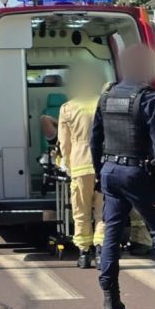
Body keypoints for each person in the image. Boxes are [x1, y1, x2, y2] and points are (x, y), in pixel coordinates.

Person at [91, 44, 155, 309]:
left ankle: (111, 300)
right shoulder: (150, 99)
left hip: (110, 171)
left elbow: (94, 140)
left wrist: (101, 174)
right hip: (139, 173)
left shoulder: (106, 97)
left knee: (111, 234)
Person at [56, 66, 104, 268]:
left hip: (79, 163)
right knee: (103, 211)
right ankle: (101, 252)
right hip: (103, 163)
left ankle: (84, 253)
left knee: (81, 210)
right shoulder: (102, 104)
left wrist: (64, 163)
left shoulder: (68, 108)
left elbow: (63, 142)